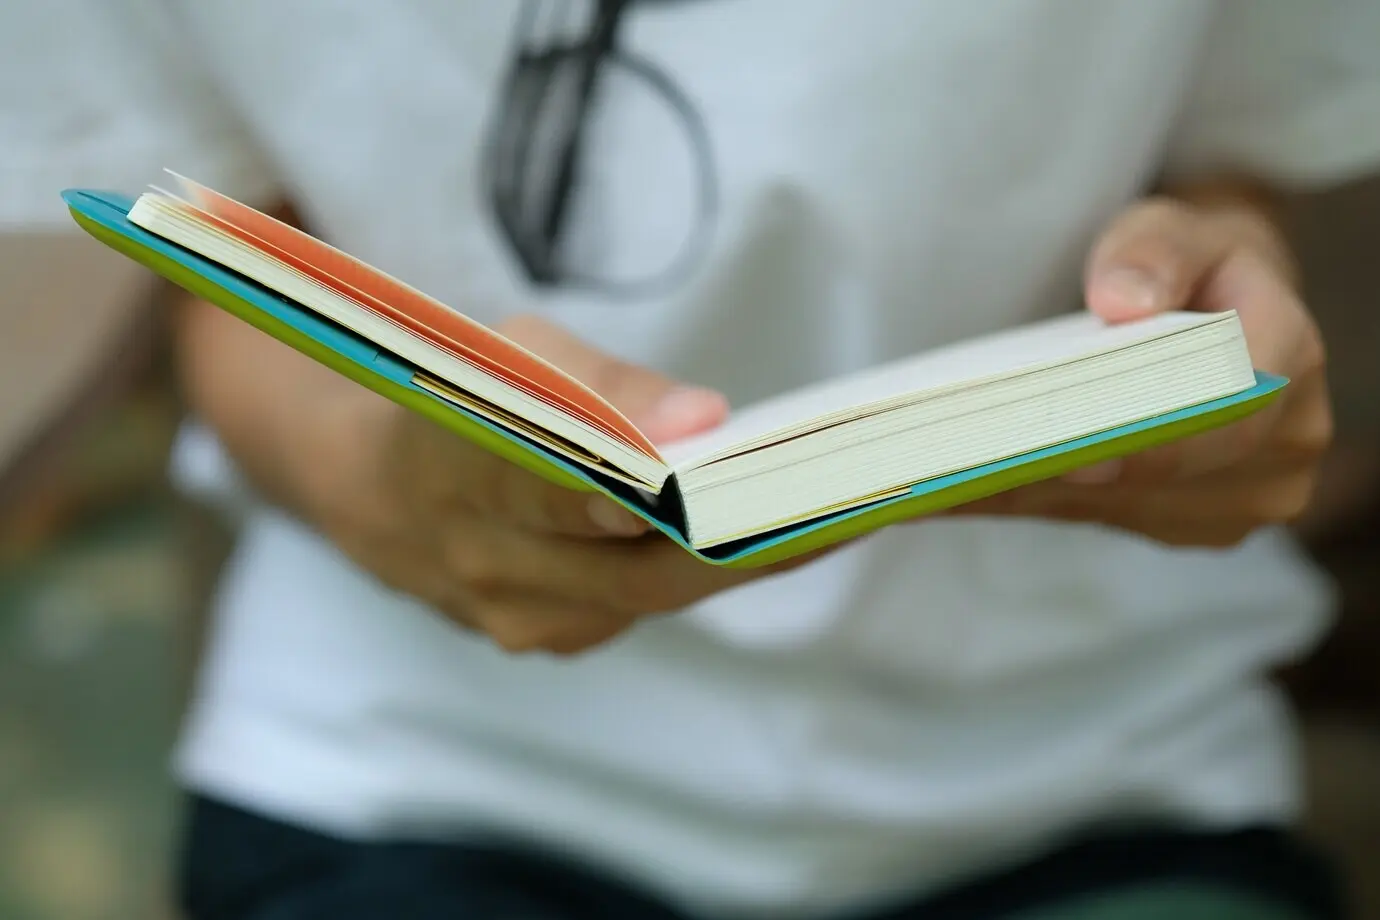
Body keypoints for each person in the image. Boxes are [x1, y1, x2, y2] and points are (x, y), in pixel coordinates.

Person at [8, 2, 1380, 918]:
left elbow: (1221, 150)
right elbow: (222, 246)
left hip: (1091, 766)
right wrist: (382, 478)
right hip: (408, 771)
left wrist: (1207, 314)